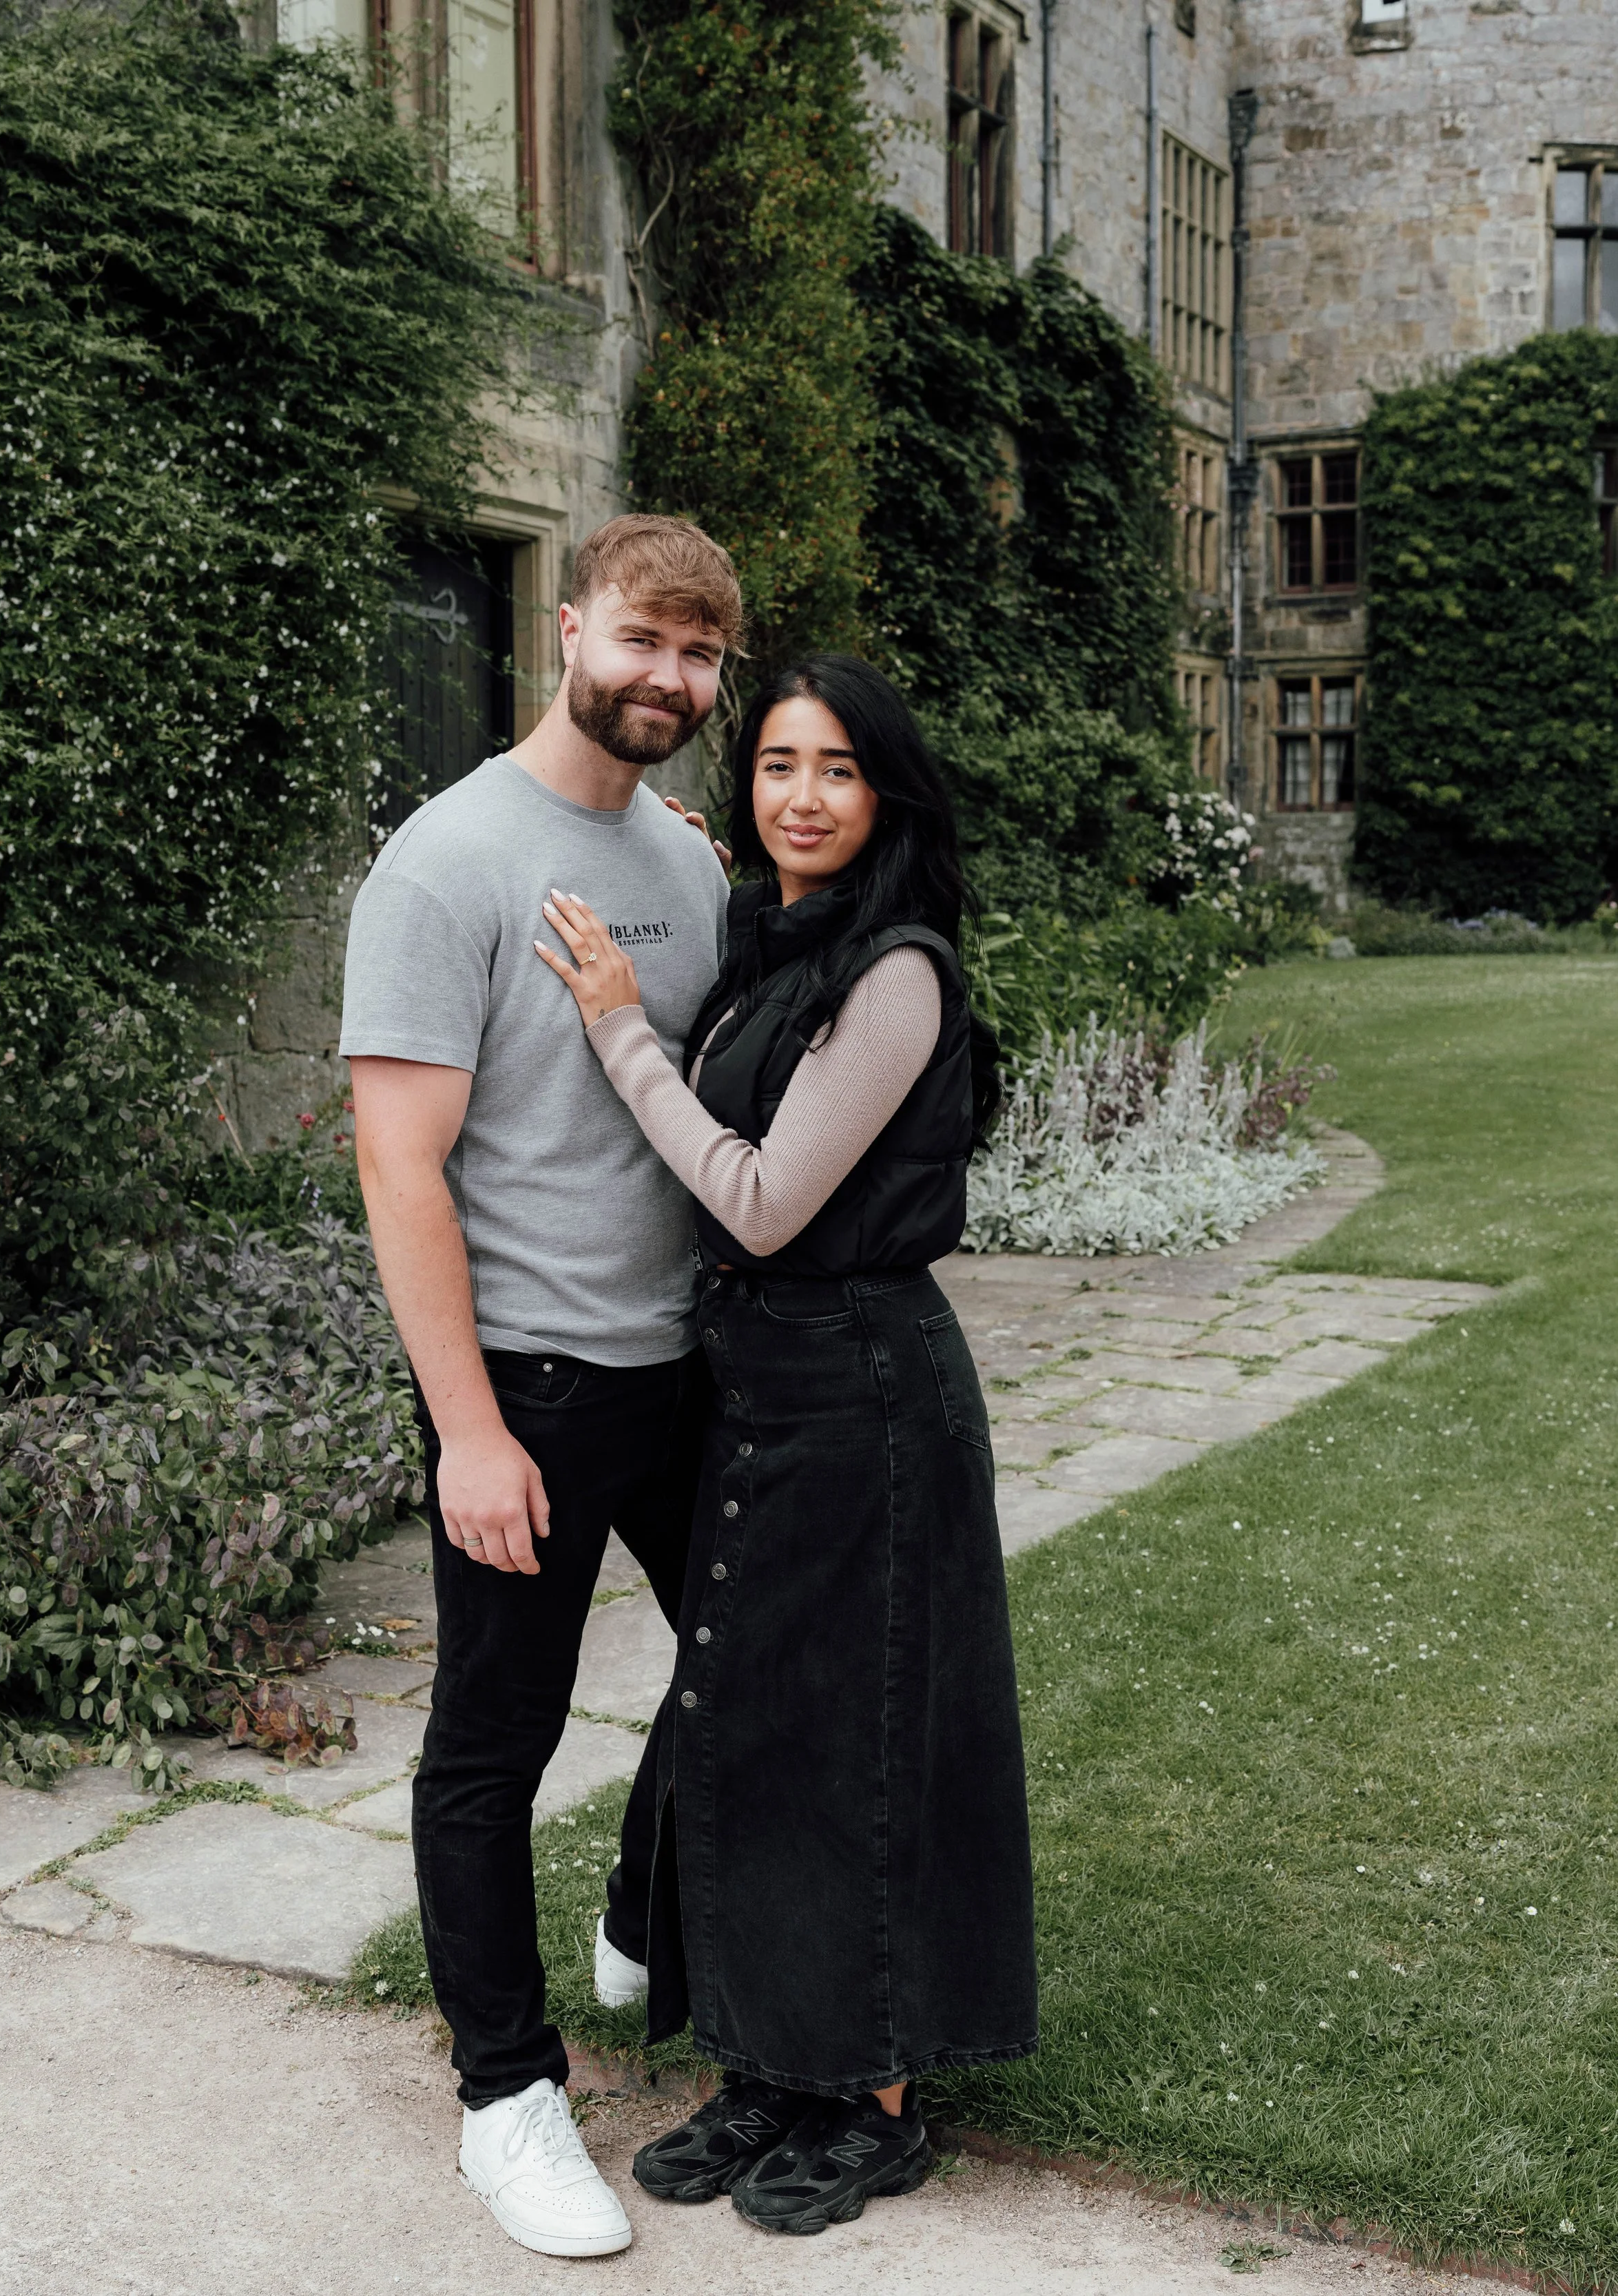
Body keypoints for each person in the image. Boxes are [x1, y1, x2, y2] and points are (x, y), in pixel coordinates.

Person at [534, 654, 1037, 2239]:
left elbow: (757, 1196)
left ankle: (873, 2093)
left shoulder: (894, 973)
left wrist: (619, 1030)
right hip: (763, 1387)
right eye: (772, 766)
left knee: (858, 1740)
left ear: (882, 789)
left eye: (832, 768)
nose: (799, 795)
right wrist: (680, 869)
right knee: (747, 1729)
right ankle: (766, 2063)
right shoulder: (778, 945)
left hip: (866, 1397)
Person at [340, 514, 740, 2260]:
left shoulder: (691, 858)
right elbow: (398, 1169)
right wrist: (471, 1431)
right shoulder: (446, 867)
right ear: (567, 628)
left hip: (688, 1369)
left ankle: (639, 1915)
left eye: (702, 656)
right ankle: (506, 2100)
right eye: (644, 640)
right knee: (488, 1751)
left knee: (761, 1663)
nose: (669, 678)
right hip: (533, 1387)